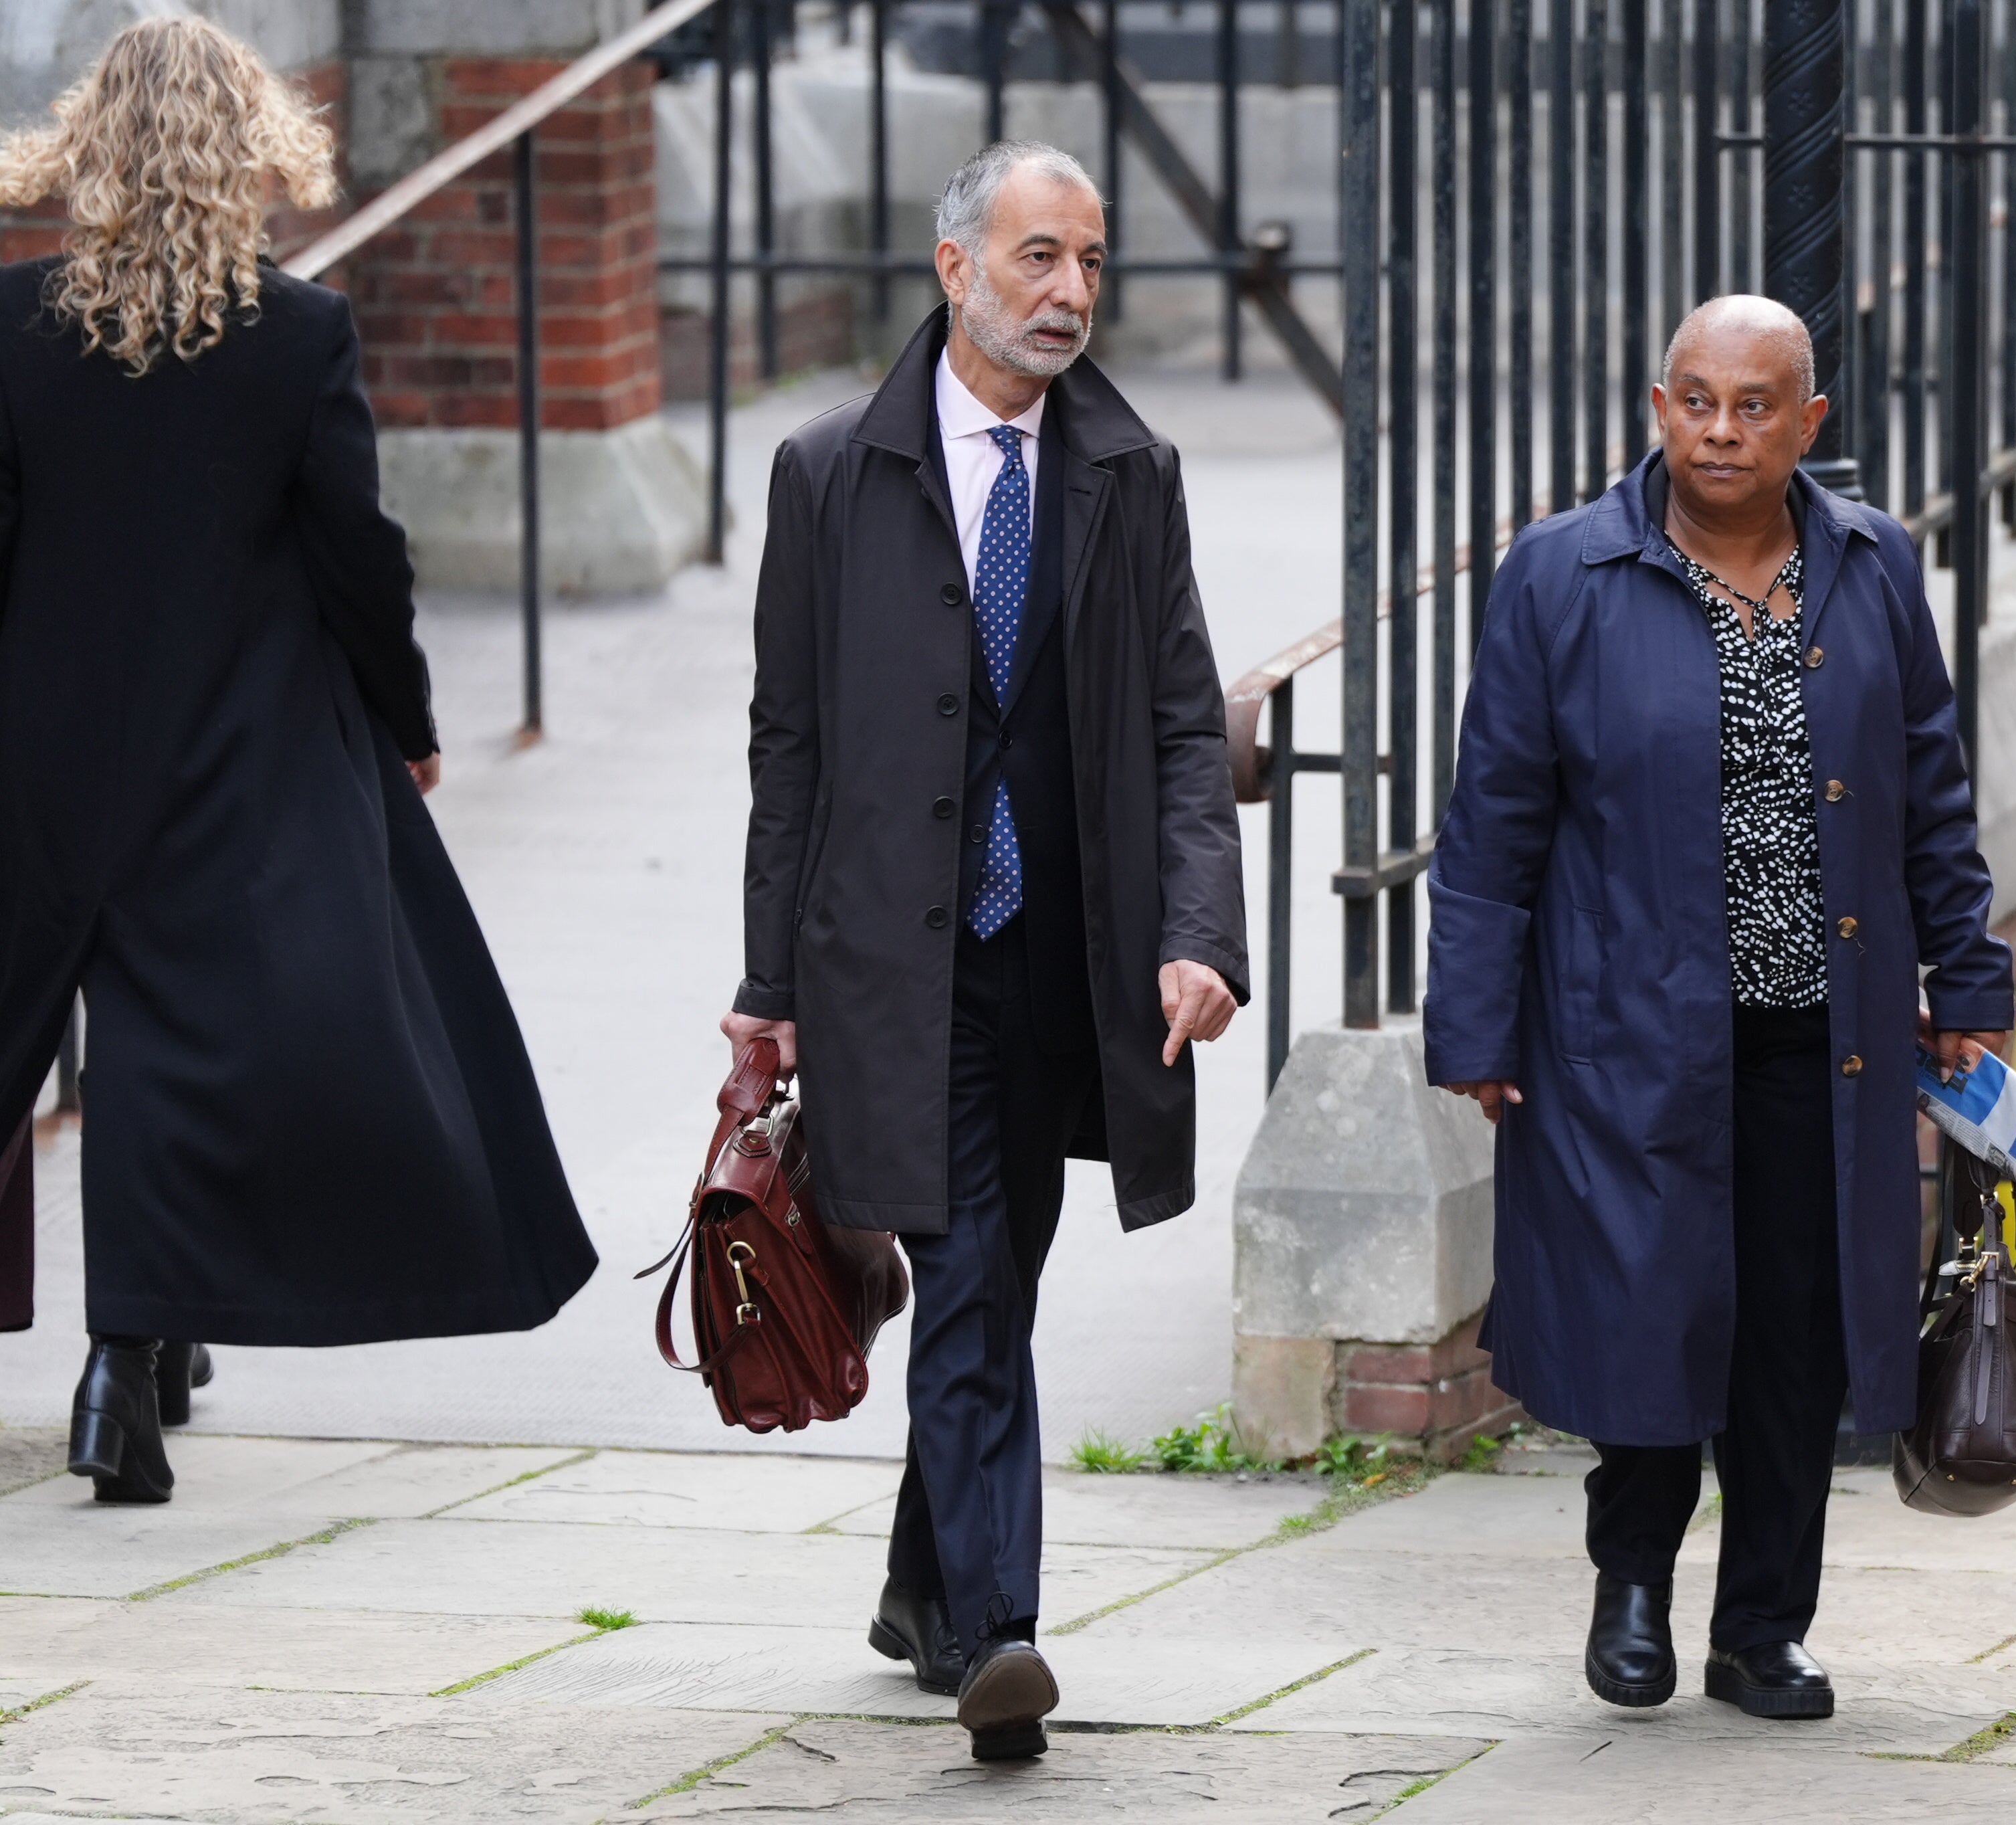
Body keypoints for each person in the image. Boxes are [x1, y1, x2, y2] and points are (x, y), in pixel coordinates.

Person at [0, 18, 596, 1503]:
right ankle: (121, 1368)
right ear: (254, 145)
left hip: (46, 745)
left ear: (90, 144)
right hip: (231, 748)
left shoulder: (13, 332)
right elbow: (358, 560)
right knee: (178, 1034)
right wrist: (406, 720)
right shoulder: (300, 334)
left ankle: (140, 1353)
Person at [722, 140, 1246, 1762]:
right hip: (896, 962)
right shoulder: (828, 472)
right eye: (1037, 258)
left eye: (1090, 262)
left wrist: (1194, 932)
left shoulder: (1127, 470)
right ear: (954, 269)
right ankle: (1000, 1633)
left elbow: (1178, 722)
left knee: (991, 1287)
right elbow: (788, 747)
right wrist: (767, 988)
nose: (1069, 293)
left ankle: (916, 1578)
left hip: (1059, 966)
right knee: (959, 1279)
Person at [1424, 297, 2015, 1720]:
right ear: (1656, 404)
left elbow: (1927, 786)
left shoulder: (1870, 567)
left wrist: (1968, 977)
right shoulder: (1562, 575)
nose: (1720, 429)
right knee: (1646, 1312)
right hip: (1624, 1027)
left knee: (1794, 1333)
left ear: (1809, 421)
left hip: (1825, 1035)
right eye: (1694, 400)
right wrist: (1475, 1024)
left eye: (1754, 405)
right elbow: (1492, 813)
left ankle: (1762, 1624)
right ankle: (1630, 1588)